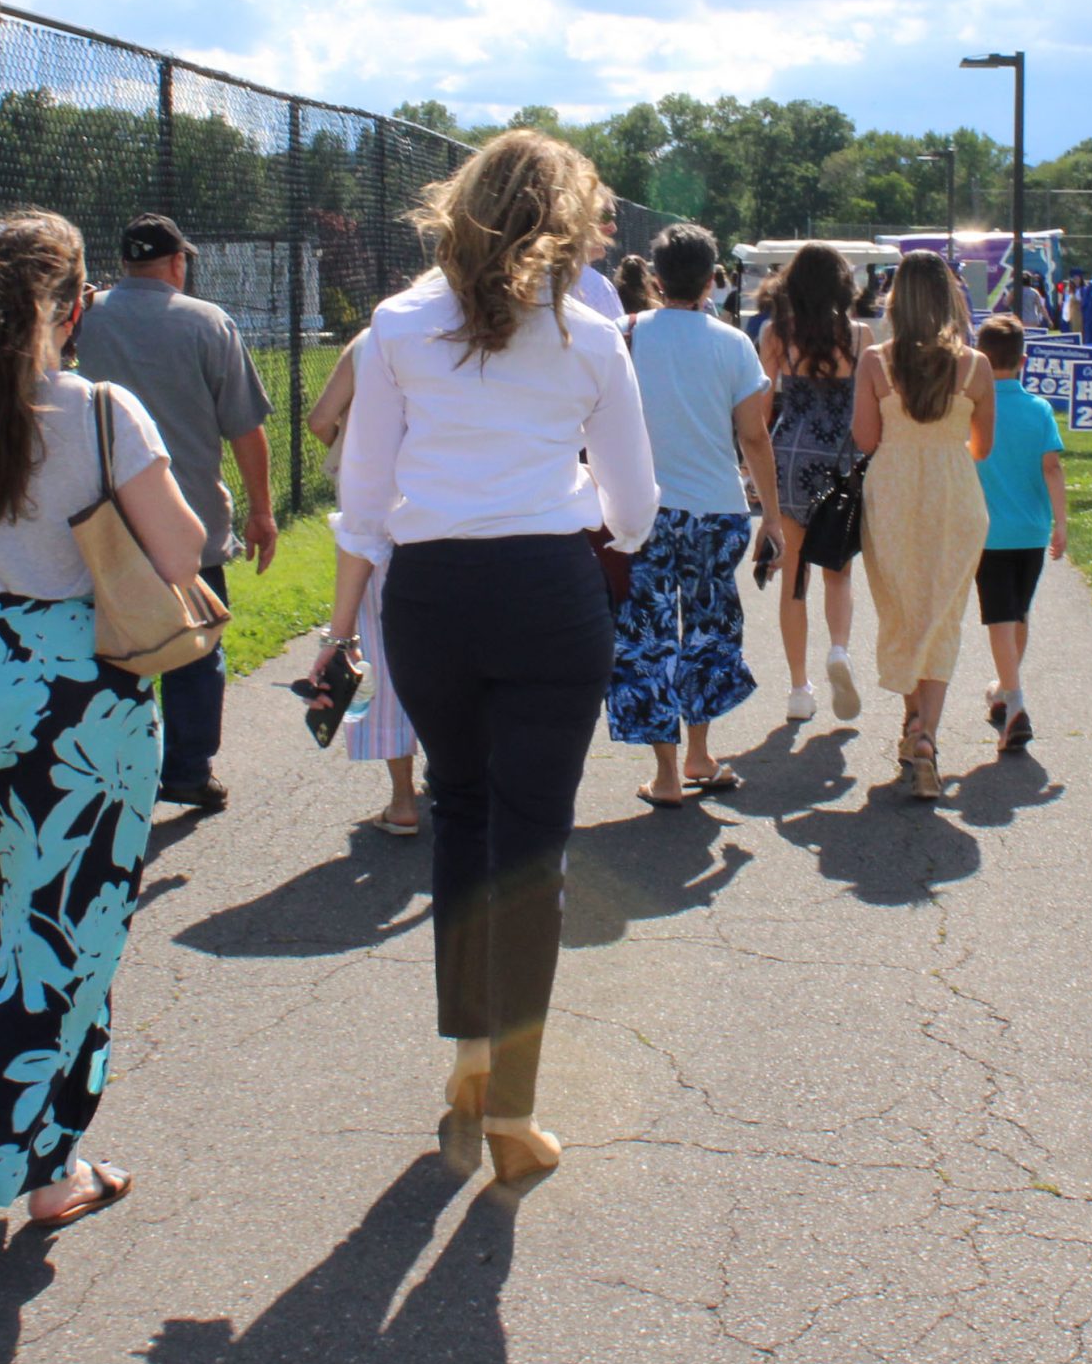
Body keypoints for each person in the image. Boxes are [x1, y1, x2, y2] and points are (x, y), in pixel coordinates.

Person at [324, 129, 658, 1190]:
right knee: (534, 841)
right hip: (548, 590)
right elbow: (636, 512)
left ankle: (470, 1058)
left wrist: (341, 629)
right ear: (566, 216)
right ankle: (513, 1101)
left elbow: (365, 500)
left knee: (460, 815)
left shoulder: (397, 328)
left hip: (431, 595)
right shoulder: (590, 334)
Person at [0, 211, 207, 1228]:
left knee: (15, 915)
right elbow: (182, 554)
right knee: (79, 929)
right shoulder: (103, 411)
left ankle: (15, 1140)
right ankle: (10, 1143)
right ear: (75, 307)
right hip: (80, 704)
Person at [72, 212, 276, 812]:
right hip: (188, 520)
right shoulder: (207, 322)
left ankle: (105, 768)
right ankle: (187, 769)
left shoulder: (86, 317)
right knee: (195, 647)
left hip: (103, 520)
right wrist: (261, 511)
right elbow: (245, 429)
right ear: (178, 263)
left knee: (107, 645)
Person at [609, 223, 781, 806]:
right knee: (708, 630)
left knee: (646, 634)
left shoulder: (623, 335)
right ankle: (701, 754)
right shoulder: (733, 343)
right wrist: (774, 519)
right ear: (713, 279)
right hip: (716, 509)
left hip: (640, 512)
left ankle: (664, 774)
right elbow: (754, 438)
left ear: (654, 280)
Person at [853, 252, 995, 801]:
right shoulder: (976, 365)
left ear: (896, 300)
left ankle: (913, 727)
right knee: (942, 615)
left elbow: (865, 441)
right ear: (950, 299)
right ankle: (927, 737)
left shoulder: (874, 361)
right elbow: (983, 447)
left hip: (891, 495)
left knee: (903, 611)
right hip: (954, 494)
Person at [304, 333, 423, 835]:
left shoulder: (370, 342)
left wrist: (349, 453)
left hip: (376, 512)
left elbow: (319, 419)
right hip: (442, 508)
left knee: (382, 647)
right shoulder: (470, 334)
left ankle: (402, 800)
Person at [759, 242, 869, 724]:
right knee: (838, 571)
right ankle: (839, 650)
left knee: (794, 577)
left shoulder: (775, 335)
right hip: (841, 459)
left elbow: (761, 411)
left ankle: (799, 689)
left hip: (790, 456)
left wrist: (752, 470)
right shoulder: (861, 336)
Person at [972, 315, 1068, 756]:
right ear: (1024, 360)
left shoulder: (973, 410)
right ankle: (1006, 689)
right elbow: (1052, 466)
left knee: (998, 617)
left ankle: (1015, 704)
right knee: (1019, 611)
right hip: (1032, 530)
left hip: (989, 532)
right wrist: (1061, 523)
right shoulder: (1039, 409)